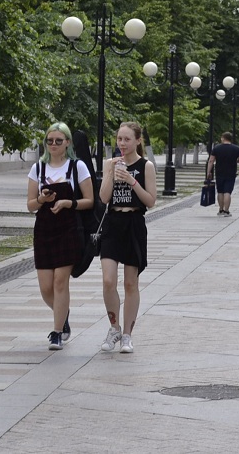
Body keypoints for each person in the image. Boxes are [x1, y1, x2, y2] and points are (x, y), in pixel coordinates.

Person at [27, 122, 94, 351]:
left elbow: (90, 201)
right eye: (49, 141)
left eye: (58, 140)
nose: (53, 144)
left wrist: (68, 203)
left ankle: (57, 333)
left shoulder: (77, 167)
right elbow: (30, 205)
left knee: (59, 282)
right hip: (44, 230)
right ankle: (62, 314)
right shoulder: (38, 168)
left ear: (67, 142)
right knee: (46, 287)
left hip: (68, 229)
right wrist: (42, 200)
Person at [99, 121, 157, 354]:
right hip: (113, 223)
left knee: (130, 283)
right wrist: (111, 174)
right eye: (119, 139)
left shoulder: (146, 166)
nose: (122, 143)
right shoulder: (110, 164)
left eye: (127, 139)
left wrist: (132, 181)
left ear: (138, 141)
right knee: (108, 280)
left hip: (134, 224)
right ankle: (114, 328)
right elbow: (103, 198)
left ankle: (127, 336)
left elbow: (151, 201)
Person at [206, 131, 239, 217]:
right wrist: (235, 160)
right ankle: (227, 211)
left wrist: (208, 172)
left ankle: (221, 210)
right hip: (231, 173)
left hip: (219, 172)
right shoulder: (236, 148)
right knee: (227, 192)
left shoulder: (217, 148)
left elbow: (211, 160)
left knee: (220, 192)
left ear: (223, 138)